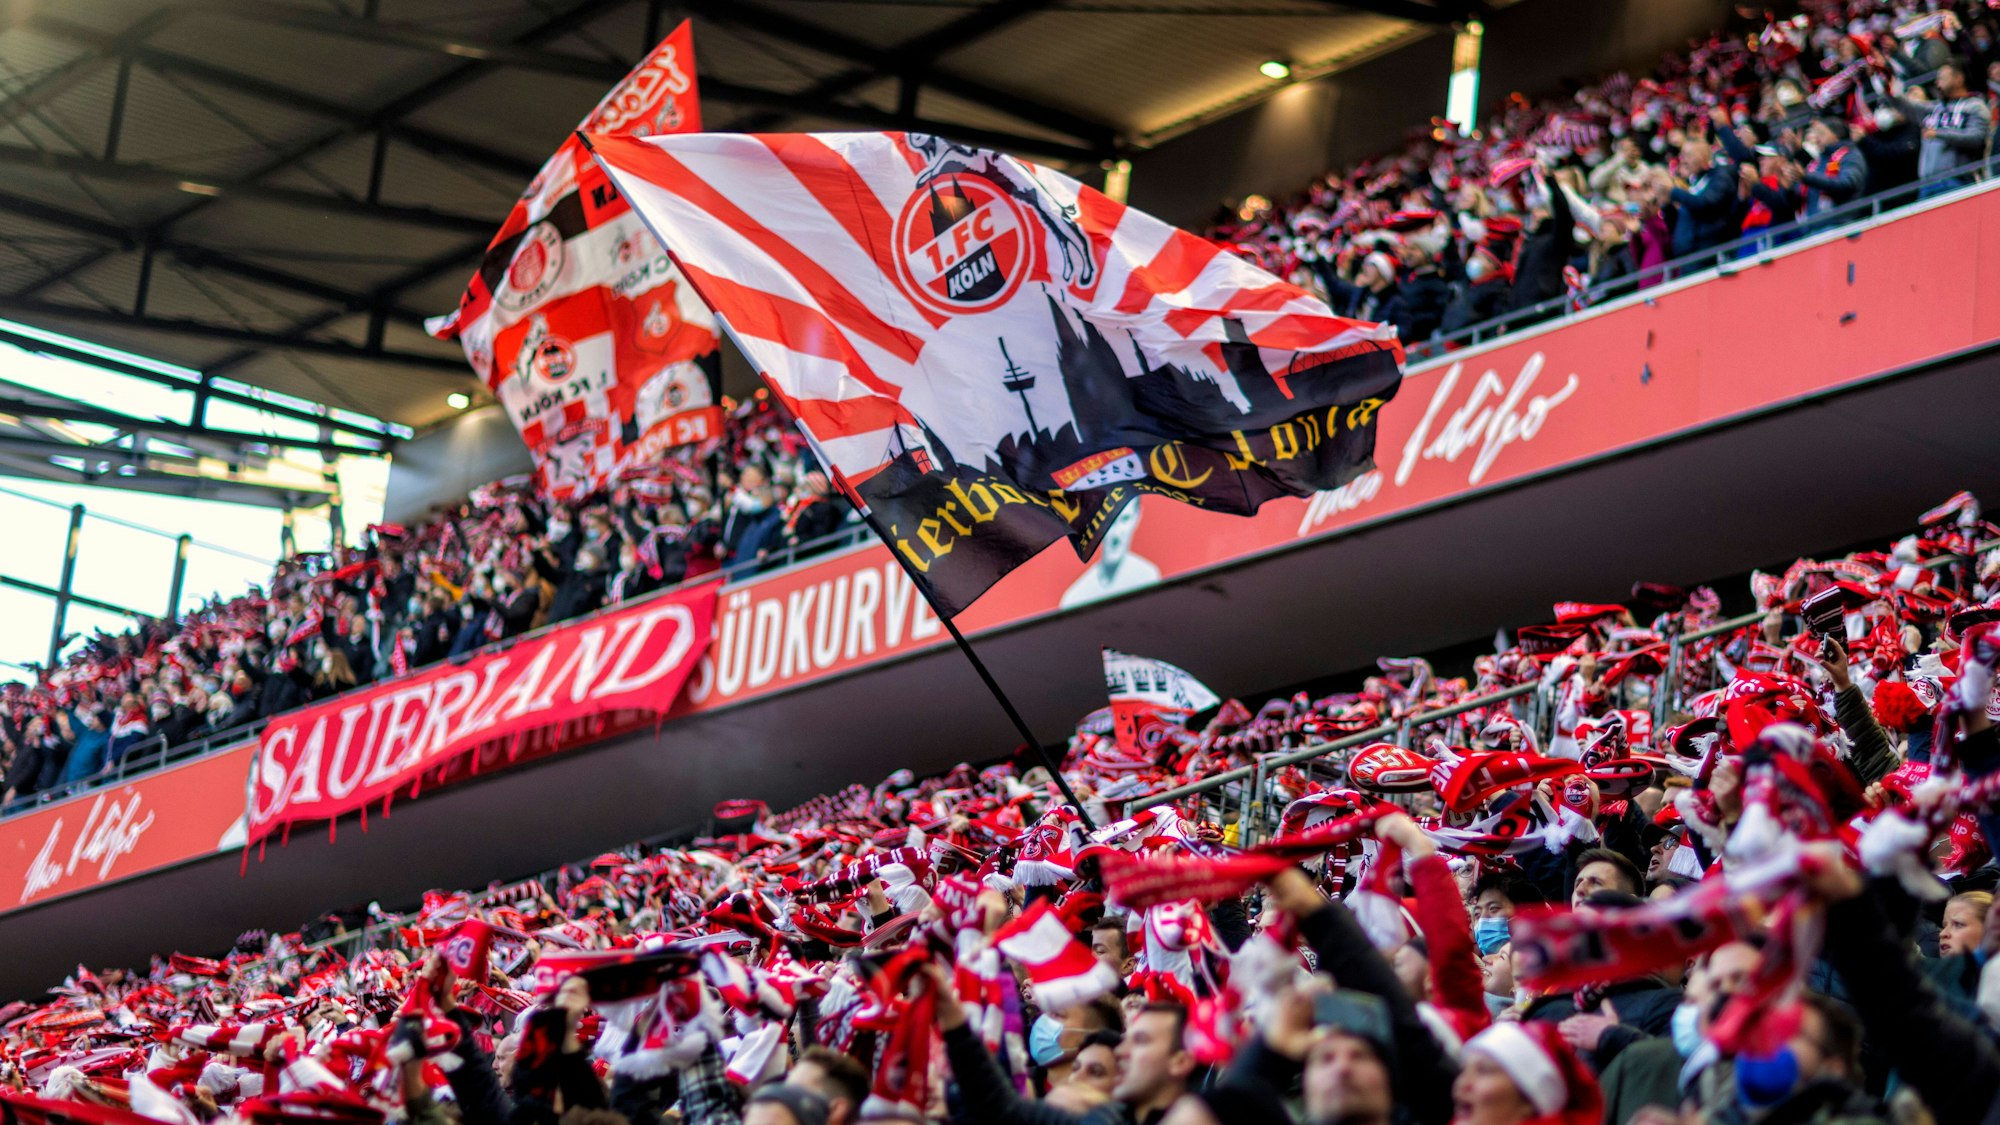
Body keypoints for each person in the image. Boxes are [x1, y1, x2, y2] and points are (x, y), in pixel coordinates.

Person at [1913, 60, 1994, 194]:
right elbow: (1906, 105)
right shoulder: (1935, 108)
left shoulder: (1975, 106)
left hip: (1958, 181)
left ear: (1958, 79)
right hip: (1927, 184)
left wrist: (1939, 134)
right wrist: (1887, 87)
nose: (1937, 83)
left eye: (1942, 78)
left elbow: (1976, 138)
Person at [1060, 502, 1161, 609]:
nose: (1116, 534)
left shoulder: (1148, 577)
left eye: (1125, 519)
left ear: (1136, 518)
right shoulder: (1075, 599)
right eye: (1109, 521)